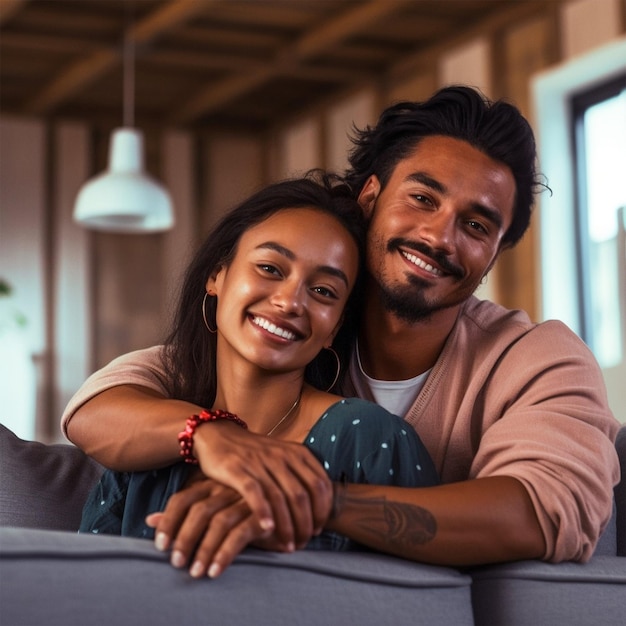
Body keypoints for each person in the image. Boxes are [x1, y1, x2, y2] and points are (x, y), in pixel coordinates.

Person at [63, 86, 620, 577]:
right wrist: (211, 434)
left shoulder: (538, 357)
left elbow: (540, 513)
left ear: (495, 252)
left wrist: (304, 501)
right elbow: (99, 407)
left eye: (476, 225)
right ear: (371, 197)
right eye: (422, 198)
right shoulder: (300, 327)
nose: (439, 237)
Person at [77, 173, 438, 577]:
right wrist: (207, 434)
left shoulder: (368, 438)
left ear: (334, 329)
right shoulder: (146, 451)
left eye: (323, 292)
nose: (289, 302)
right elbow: (88, 596)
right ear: (217, 276)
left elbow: (423, 601)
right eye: (269, 267)